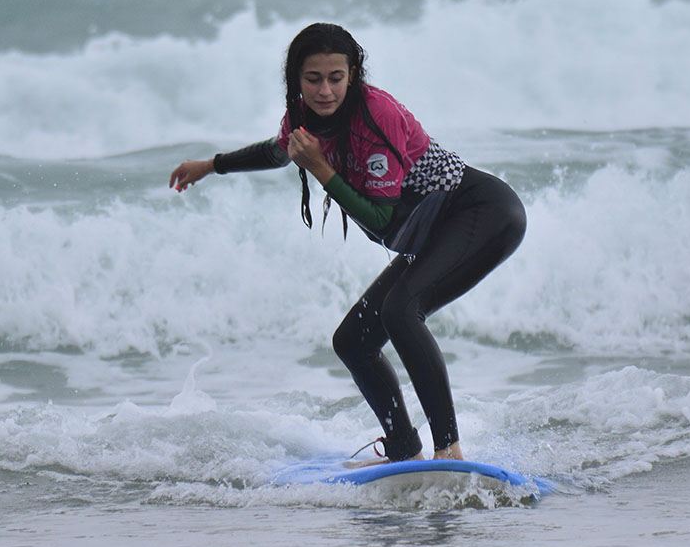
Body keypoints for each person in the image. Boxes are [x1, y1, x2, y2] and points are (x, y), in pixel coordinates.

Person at [169, 23, 526, 462]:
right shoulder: (301, 117)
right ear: (296, 80)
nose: (325, 91)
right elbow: (278, 152)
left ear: (353, 74)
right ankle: (403, 451)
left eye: (336, 77)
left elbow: (381, 216)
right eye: (313, 79)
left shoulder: (377, 119)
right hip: (435, 230)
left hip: (481, 213)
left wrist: (321, 169)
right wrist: (211, 165)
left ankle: (449, 450)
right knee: (353, 340)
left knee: (401, 312)